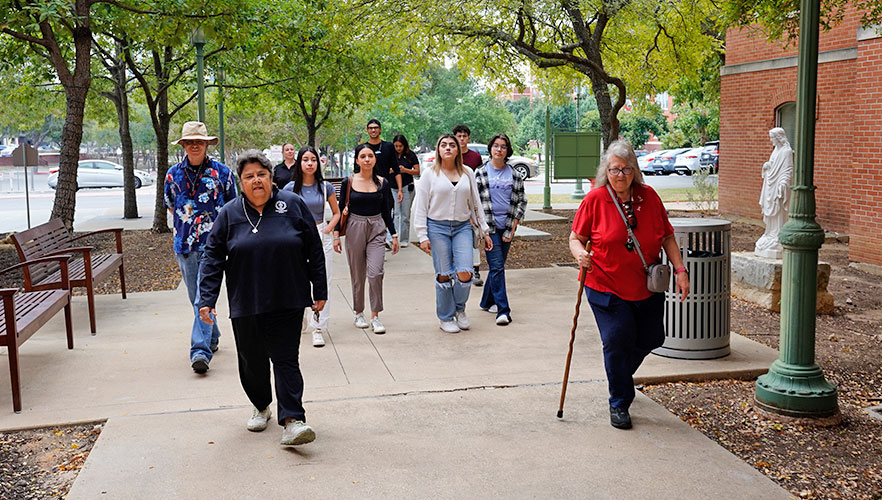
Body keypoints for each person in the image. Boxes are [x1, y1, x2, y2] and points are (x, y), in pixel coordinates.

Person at [197, 149, 326, 447]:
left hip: (288, 298)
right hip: (247, 300)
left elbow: (314, 251)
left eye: (261, 175)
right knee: (252, 362)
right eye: (249, 176)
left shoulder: (292, 205)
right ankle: (261, 404)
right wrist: (207, 299)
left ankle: (293, 420)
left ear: (271, 178)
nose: (256, 181)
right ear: (241, 183)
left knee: (285, 360)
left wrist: (319, 290)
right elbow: (213, 257)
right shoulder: (230, 213)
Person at [568, 140, 690, 430]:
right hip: (604, 284)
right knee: (617, 338)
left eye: (625, 169)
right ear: (605, 171)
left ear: (635, 170)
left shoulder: (649, 197)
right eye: (614, 170)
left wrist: (680, 270)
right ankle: (619, 401)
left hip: (646, 286)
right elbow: (575, 238)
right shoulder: (595, 199)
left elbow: (667, 237)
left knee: (652, 338)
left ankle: (619, 374)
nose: (620, 175)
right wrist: (579, 254)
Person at [164, 121, 237, 375]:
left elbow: (233, 208)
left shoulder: (223, 173)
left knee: (201, 299)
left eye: (199, 142)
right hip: (184, 245)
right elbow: (171, 205)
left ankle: (200, 352)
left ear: (207, 144)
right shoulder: (173, 174)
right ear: (183, 145)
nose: (194, 146)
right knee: (196, 298)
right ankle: (212, 336)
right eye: (190, 142)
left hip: (214, 246)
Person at [413, 134, 492, 333]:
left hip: (462, 227)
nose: (448, 148)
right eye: (443, 145)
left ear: (458, 149)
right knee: (443, 274)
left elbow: (476, 203)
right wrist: (422, 236)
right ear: (438, 150)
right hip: (437, 227)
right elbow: (421, 207)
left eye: (452, 145)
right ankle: (446, 317)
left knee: (465, 273)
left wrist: (484, 230)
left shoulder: (467, 173)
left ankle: (459, 309)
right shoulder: (429, 175)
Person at [334, 143, 399, 334]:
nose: (367, 159)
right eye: (363, 156)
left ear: (375, 159)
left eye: (370, 156)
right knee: (358, 273)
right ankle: (358, 312)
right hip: (355, 226)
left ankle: (375, 315)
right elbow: (339, 209)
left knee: (376, 272)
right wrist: (337, 234)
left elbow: (387, 210)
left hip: (377, 227)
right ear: (357, 160)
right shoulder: (349, 181)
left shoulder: (382, 182)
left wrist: (393, 234)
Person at [283, 146, 341, 347]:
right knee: (297, 279)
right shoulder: (290, 189)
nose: (309, 163)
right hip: (298, 237)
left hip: (320, 234)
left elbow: (336, 212)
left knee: (323, 279)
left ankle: (319, 326)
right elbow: (283, 215)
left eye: (313, 160)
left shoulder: (325, 187)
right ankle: (300, 315)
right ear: (299, 163)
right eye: (305, 159)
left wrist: (329, 229)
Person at [475, 133, 526, 326]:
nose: (499, 149)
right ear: (490, 149)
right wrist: (481, 230)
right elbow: (474, 202)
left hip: (507, 226)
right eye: (496, 146)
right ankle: (503, 310)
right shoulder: (480, 172)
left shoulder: (513, 173)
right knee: (497, 266)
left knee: (498, 266)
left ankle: (486, 301)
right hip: (489, 227)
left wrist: (512, 228)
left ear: (507, 150)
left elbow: (522, 200)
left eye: (503, 146)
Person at [453, 124, 485, 286]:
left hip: (472, 201)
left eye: (464, 136)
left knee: (475, 237)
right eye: (459, 136)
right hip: (455, 203)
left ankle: (476, 270)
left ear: (468, 138)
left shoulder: (475, 157)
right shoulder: (451, 156)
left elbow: (478, 182)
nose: (462, 139)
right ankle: (456, 269)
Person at [754, 127, 793, 258]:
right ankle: (770, 233)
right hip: (770, 184)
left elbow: (788, 170)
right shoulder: (775, 150)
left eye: (772, 138)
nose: (771, 141)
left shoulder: (787, 152)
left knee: (778, 211)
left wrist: (783, 184)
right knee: (769, 211)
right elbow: (772, 164)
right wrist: (767, 166)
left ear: (779, 137)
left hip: (778, 186)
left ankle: (778, 235)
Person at [391, 134, 420, 247]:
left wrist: (405, 170)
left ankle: (404, 239)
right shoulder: (391, 155)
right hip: (393, 187)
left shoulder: (410, 155)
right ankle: (394, 236)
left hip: (407, 186)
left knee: (405, 214)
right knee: (395, 212)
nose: (398, 148)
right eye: (396, 146)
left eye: (400, 146)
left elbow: (417, 171)